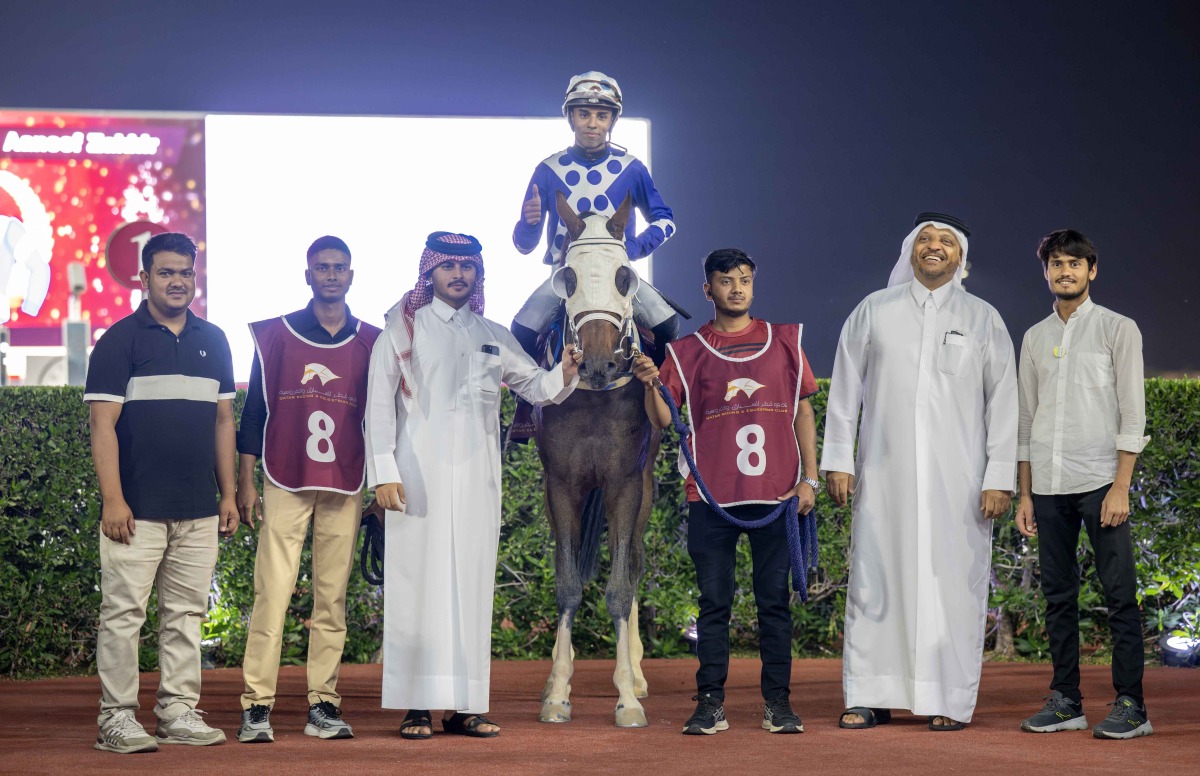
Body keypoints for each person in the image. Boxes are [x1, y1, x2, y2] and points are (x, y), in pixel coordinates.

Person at [365, 231, 582, 739]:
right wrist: (383, 473)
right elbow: (378, 404)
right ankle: (417, 706)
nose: (459, 275)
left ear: (477, 275)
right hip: (415, 479)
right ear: (430, 273)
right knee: (418, 587)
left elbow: (537, 386)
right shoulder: (400, 331)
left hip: (478, 483)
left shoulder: (493, 333)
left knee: (471, 589)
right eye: (449, 267)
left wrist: (565, 371)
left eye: (468, 268)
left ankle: (465, 705)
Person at [821, 213, 1018, 731]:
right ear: (910, 249)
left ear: (961, 257)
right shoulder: (874, 311)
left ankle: (947, 699)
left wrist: (999, 476)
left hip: (960, 482)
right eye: (926, 240)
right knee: (875, 580)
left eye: (947, 242)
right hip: (883, 479)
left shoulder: (983, 319)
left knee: (953, 584)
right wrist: (838, 459)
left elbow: (1004, 403)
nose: (935, 248)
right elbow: (844, 391)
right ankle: (868, 694)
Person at [632, 248, 818, 736]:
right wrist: (652, 384)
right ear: (707, 289)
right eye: (725, 280)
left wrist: (810, 478)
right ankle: (710, 703)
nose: (736, 288)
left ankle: (778, 704)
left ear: (753, 284)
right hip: (711, 496)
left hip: (777, 496)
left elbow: (803, 411)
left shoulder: (785, 341)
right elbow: (662, 419)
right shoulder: (685, 352)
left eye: (744, 279)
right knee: (714, 602)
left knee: (774, 602)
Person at [84, 232, 237, 753]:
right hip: (137, 510)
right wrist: (113, 499)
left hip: (198, 509)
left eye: (186, 273)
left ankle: (177, 711)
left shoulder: (213, 339)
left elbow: (223, 420)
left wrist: (229, 495)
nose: (178, 281)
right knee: (124, 615)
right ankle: (117, 717)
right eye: (167, 272)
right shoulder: (119, 340)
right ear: (144, 278)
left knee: (185, 615)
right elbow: (102, 426)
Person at [234, 236, 381, 743]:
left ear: (351, 275)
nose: (332, 275)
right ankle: (256, 705)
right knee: (271, 595)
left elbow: (383, 420)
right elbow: (254, 413)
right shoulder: (275, 335)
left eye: (340, 268)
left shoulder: (373, 340)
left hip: (345, 481)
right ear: (308, 275)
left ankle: (323, 703)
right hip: (283, 477)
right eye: (323, 268)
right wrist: (243, 480)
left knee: (331, 599)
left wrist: (382, 481)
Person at [1014, 229, 1152, 739]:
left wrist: (1121, 486)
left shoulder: (1119, 329)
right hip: (1048, 487)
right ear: (1046, 272)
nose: (1064, 271)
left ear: (1092, 271)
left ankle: (1132, 705)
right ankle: (1066, 700)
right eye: (1056, 263)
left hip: (1100, 482)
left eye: (1075, 263)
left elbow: (1132, 414)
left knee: (1120, 595)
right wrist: (1025, 493)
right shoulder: (1033, 337)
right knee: (1057, 597)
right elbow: (1025, 420)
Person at [510, 70, 679, 367]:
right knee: (521, 332)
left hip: (618, 274)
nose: (592, 123)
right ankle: (526, 410)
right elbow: (524, 246)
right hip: (565, 277)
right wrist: (530, 223)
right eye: (584, 114)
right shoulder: (548, 169)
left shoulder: (632, 168)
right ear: (570, 117)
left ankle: (662, 402)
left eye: (601, 115)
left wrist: (633, 248)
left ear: (612, 120)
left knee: (667, 326)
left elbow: (665, 220)